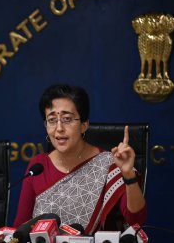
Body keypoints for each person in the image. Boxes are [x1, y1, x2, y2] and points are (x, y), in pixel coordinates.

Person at [13, 84, 146, 235]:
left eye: (67, 119)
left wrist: (128, 174)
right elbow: (20, 227)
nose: (59, 128)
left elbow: (136, 220)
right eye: (51, 120)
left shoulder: (110, 165)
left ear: (84, 125)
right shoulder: (38, 166)